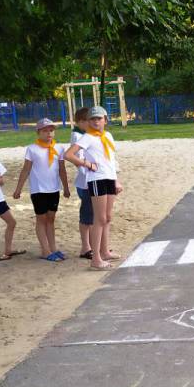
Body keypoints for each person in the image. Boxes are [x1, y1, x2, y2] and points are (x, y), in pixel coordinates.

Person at [64, 106, 123, 271]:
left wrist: (116, 180)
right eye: (93, 119)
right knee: (100, 218)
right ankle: (95, 258)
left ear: (105, 120)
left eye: (99, 118)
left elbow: (110, 159)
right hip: (96, 179)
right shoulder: (87, 137)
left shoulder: (108, 136)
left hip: (109, 177)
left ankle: (104, 251)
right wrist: (87, 164)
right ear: (88, 122)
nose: (96, 121)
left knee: (108, 216)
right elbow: (68, 155)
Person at [13, 118, 70, 261]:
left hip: (54, 189)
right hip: (38, 190)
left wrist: (66, 188)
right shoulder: (32, 149)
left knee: (51, 219)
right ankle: (45, 250)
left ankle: (53, 248)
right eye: (45, 130)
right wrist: (18, 189)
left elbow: (62, 170)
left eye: (51, 130)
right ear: (38, 132)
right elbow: (26, 169)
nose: (49, 133)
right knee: (41, 219)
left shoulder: (59, 148)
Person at [71, 107, 93, 259]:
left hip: (96, 179)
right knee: (86, 215)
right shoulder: (77, 136)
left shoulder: (93, 135)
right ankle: (85, 247)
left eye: (89, 119)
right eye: (84, 120)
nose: (88, 123)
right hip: (86, 182)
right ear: (78, 122)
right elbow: (76, 158)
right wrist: (87, 168)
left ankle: (94, 245)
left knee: (95, 215)